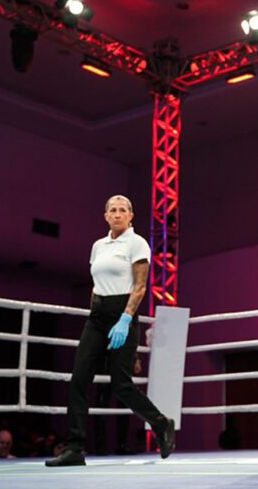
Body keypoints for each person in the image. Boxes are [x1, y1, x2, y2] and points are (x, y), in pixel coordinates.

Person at [46, 195, 175, 467]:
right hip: (97, 316)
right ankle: (74, 448)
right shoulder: (98, 246)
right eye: (112, 210)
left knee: (121, 385)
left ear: (131, 215)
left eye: (123, 210)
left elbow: (140, 286)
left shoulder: (137, 243)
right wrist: (96, 312)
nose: (117, 214)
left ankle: (162, 424)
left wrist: (126, 318)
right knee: (79, 378)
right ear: (105, 215)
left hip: (123, 311)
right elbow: (96, 283)